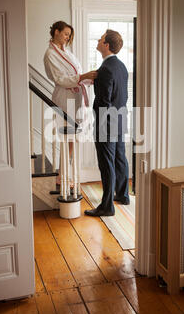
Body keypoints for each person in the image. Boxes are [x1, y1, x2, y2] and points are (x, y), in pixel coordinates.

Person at [43, 20, 97, 185]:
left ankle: (65, 172)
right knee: (66, 137)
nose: (67, 37)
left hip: (76, 98)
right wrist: (83, 77)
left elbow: (77, 72)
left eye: (69, 35)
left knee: (73, 138)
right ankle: (62, 175)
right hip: (64, 98)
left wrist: (87, 79)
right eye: (66, 34)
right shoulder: (50, 54)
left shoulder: (67, 52)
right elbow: (60, 79)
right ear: (56, 32)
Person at [85, 30, 130, 217]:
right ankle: (123, 195)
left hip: (106, 121)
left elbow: (103, 101)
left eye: (101, 38)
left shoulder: (105, 69)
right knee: (120, 158)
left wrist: (94, 115)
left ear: (106, 45)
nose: (98, 39)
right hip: (120, 118)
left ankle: (106, 206)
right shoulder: (121, 67)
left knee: (107, 163)